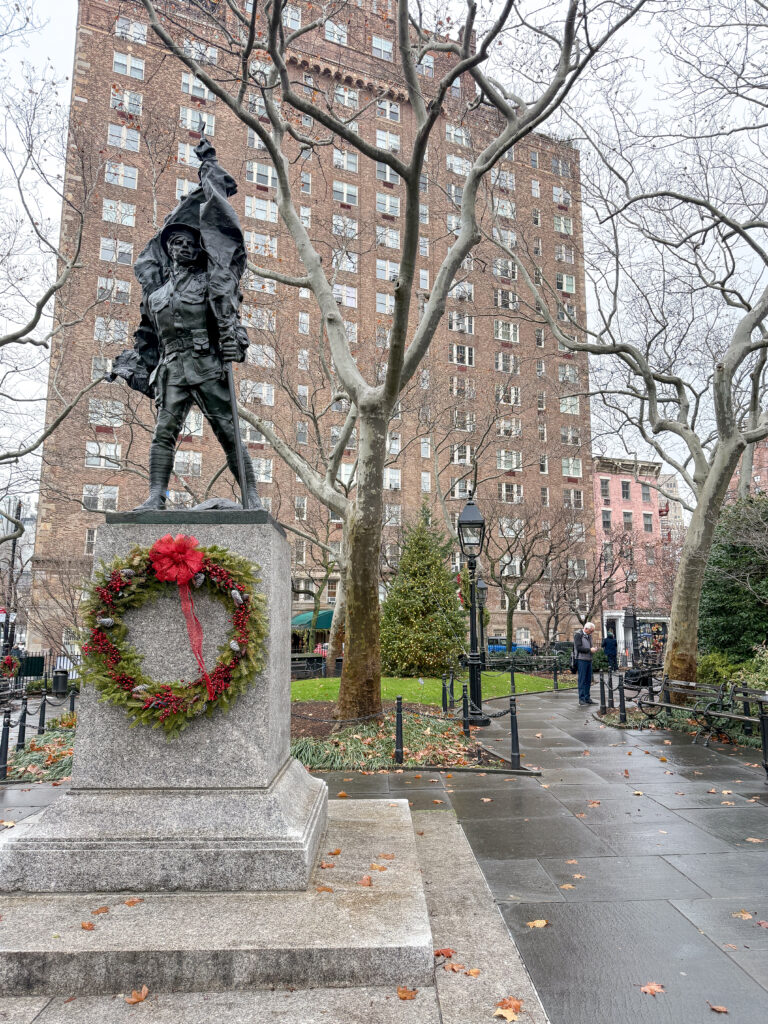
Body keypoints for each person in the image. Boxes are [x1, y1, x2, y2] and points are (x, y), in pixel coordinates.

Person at [109, 136, 262, 511]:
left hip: (207, 365)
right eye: (175, 242)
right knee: (163, 433)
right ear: (168, 249)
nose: (182, 247)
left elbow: (230, 316)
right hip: (172, 369)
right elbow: (148, 337)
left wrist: (235, 341)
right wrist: (131, 363)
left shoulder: (211, 283)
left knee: (228, 433)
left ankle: (252, 497)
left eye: (189, 242)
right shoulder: (155, 295)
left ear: (198, 248)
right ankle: (155, 497)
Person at [573, 621, 597, 706]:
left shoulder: (589, 636)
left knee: (588, 680)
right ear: (586, 629)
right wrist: (590, 650)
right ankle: (581, 699)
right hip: (581, 659)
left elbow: (589, 647)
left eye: (592, 631)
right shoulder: (578, 635)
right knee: (582, 680)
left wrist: (593, 649)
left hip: (589, 659)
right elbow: (579, 648)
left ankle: (587, 698)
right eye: (591, 631)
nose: (592, 633)